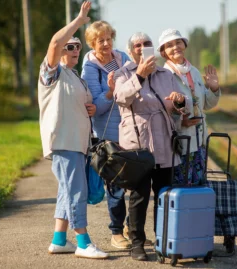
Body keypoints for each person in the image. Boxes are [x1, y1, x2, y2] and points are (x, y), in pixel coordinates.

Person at [37, 1, 108, 259]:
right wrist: (79, 21)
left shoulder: (75, 76)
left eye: (78, 46)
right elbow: (55, 44)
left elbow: (83, 106)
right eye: (70, 46)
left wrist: (91, 108)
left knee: (66, 191)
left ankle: (59, 239)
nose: (75, 48)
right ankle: (83, 242)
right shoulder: (51, 74)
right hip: (64, 142)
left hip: (78, 144)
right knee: (76, 191)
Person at [113, 32, 190, 261]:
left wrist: (179, 102)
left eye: (146, 44)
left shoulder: (165, 73)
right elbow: (120, 97)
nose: (142, 48)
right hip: (137, 145)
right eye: (137, 45)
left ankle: (162, 239)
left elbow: (181, 104)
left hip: (164, 141)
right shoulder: (122, 73)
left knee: (164, 194)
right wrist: (139, 75)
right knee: (139, 196)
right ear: (130, 51)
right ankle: (137, 243)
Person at [81, 20, 133, 250]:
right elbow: (96, 106)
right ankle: (116, 231)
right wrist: (111, 92)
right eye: (100, 40)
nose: (105, 43)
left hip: (131, 130)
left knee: (136, 182)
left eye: (108, 38)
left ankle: (131, 227)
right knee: (115, 186)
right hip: (106, 133)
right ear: (92, 44)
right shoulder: (90, 66)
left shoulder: (123, 58)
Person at [158, 28, 221, 184]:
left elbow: (206, 104)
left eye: (178, 42)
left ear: (184, 45)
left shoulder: (194, 72)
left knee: (198, 187)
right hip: (179, 144)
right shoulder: (163, 75)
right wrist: (180, 122)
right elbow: (161, 111)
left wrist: (213, 88)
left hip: (199, 142)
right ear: (164, 52)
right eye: (169, 45)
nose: (175, 47)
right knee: (181, 188)